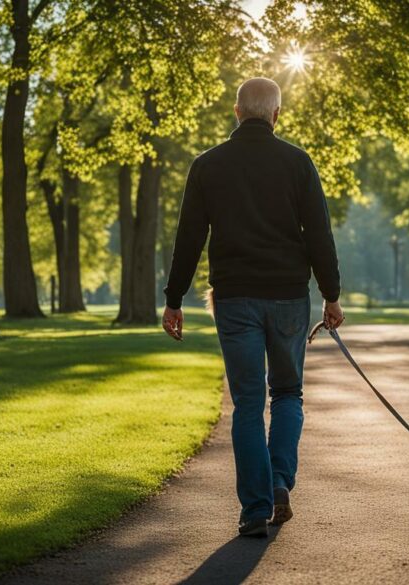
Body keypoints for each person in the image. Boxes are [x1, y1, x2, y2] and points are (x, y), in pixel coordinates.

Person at [161, 77, 344, 537]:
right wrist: (331, 294)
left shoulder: (208, 165)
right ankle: (280, 481)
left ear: (237, 111)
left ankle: (255, 509)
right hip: (287, 297)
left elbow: (189, 237)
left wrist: (174, 299)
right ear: (276, 114)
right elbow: (319, 233)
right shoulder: (298, 163)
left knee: (246, 403)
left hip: (235, 297)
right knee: (287, 394)